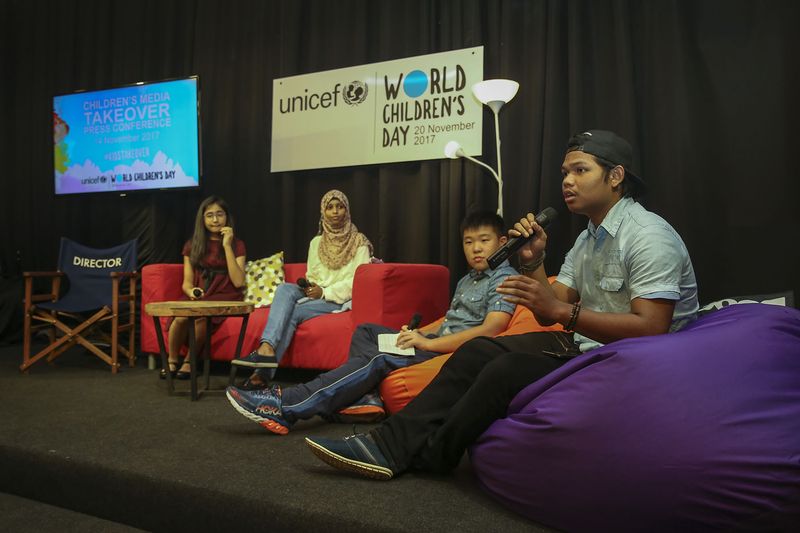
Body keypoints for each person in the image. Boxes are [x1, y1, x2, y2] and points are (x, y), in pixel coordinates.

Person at [303, 129, 700, 480]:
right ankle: (389, 444)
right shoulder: (590, 236)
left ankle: (432, 454)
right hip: (589, 344)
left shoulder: (648, 235)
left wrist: (562, 314)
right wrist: (533, 261)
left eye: (580, 171)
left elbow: (651, 328)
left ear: (615, 177)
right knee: (478, 350)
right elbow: (559, 296)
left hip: (635, 360)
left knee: (504, 369)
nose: (568, 181)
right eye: (565, 172)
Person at [224, 210, 518, 435]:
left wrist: (427, 342)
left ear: (502, 242)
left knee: (377, 358)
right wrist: (417, 332)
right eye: (469, 242)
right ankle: (367, 399)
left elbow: (491, 329)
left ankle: (284, 405)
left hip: (451, 354)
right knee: (367, 331)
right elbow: (451, 322)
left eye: (484, 241)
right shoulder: (468, 279)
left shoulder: (505, 278)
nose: (476, 248)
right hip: (436, 342)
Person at [231, 189, 373, 388]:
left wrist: (324, 292)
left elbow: (359, 281)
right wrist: (312, 287)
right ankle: (267, 347)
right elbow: (312, 274)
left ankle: (262, 374)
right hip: (315, 292)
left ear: (347, 210)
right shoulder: (316, 242)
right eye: (330, 207)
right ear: (323, 211)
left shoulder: (359, 242)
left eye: (340, 207)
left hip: (337, 298)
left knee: (294, 313)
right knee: (284, 289)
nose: (335, 212)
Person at [161, 195, 246, 380]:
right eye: (209, 215)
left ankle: (190, 362)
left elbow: (239, 281)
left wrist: (227, 246)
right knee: (181, 317)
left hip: (226, 294)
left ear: (227, 217)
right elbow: (187, 283)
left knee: (202, 319)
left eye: (219, 214)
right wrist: (192, 291)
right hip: (202, 294)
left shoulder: (237, 244)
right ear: (202, 219)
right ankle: (172, 360)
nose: (215, 220)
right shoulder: (192, 245)